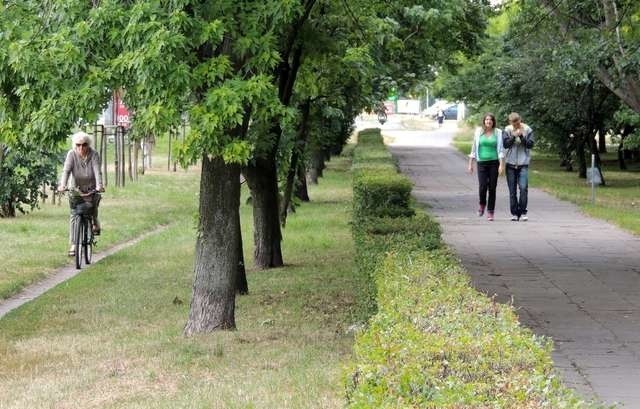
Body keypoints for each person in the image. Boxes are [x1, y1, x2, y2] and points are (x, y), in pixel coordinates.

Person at [57, 131, 105, 256]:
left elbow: (97, 171)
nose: (81, 148)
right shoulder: (71, 155)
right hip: (76, 188)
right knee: (74, 214)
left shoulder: (94, 154)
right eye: (78, 145)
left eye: (84, 145)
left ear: (88, 145)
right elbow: (66, 171)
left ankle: (94, 221)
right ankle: (74, 244)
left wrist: (99, 185)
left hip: (91, 187)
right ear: (75, 145)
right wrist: (63, 185)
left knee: (92, 208)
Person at [468, 113, 505, 221]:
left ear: (493, 122)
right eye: (487, 119)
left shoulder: (498, 132)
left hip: (494, 162)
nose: (488, 121)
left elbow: (501, 150)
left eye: (490, 120)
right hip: (481, 163)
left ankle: (490, 211)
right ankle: (482, 204)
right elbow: (474, 147)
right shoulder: (479, 132)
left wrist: (501, 165)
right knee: (483, 186)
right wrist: (470, 163)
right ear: (484, 121)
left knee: (492, 188)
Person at [502, 112, 534, 221]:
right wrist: (513, 136)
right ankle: (515, 213)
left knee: (523, 188)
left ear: (520, 119)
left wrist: (521, 135)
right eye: (513, 122)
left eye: (517, 122)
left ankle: (523, 212)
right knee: (512, 191)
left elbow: (530, 144)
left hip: (523, 163)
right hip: (510, 163)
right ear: (510, 122)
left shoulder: (528, 129)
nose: (515, 124)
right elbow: (505, 144)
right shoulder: (507, 130)